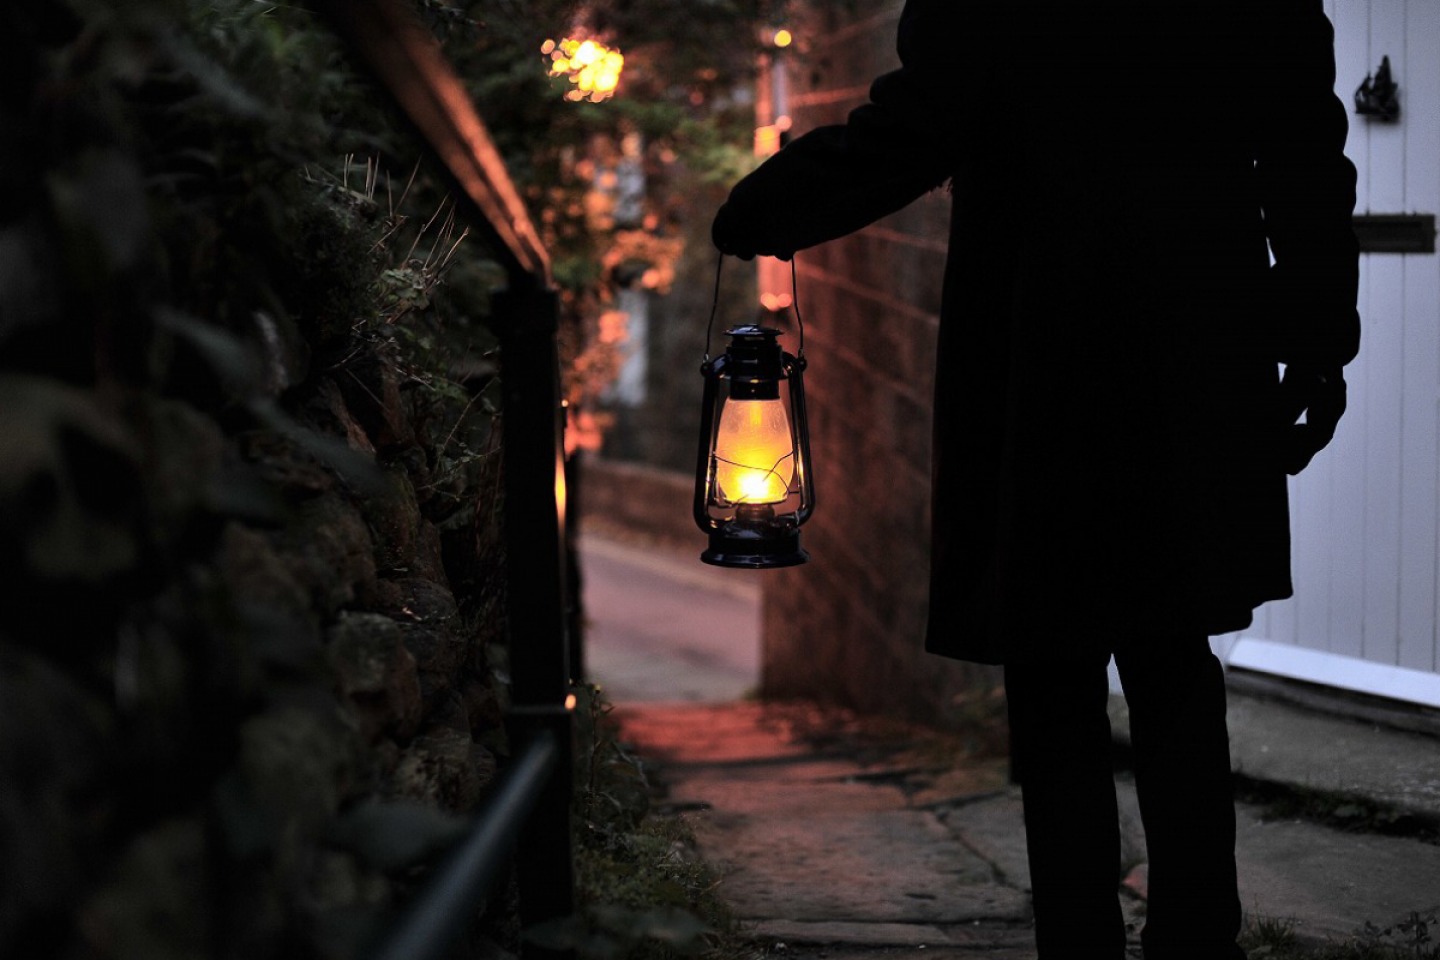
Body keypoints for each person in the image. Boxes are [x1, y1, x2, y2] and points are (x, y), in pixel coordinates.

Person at [711, 2, 1359, 958]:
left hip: (1041, 342)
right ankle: (1196, 938)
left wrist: (769, 206)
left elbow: (920, 124)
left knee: (1053, 662)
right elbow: (1303, 155)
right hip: (1193, 340)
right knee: (1172, 652)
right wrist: (1313, 346)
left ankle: (1081, 938)